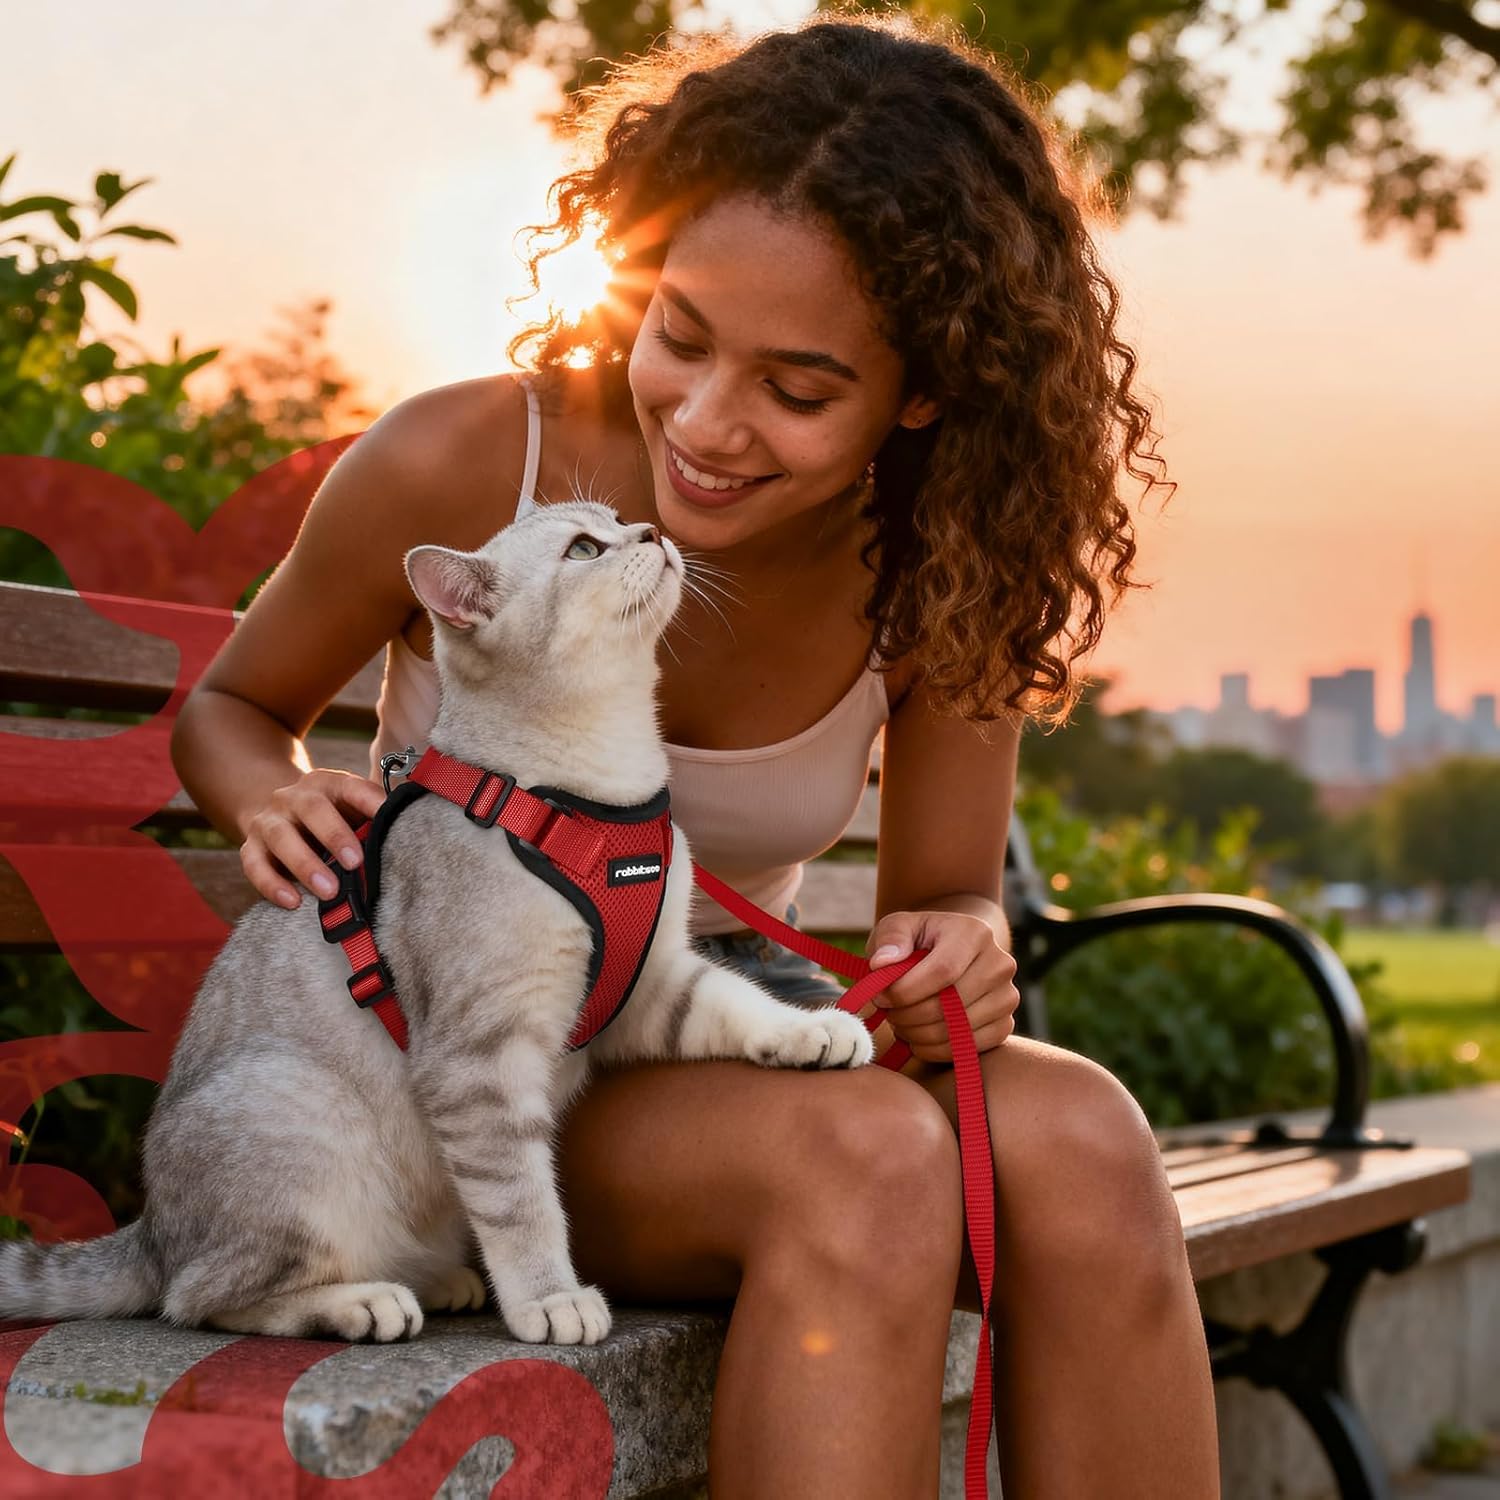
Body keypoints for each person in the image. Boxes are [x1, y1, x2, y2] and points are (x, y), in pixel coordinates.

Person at [171, 12, 1220, 1497]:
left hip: (687, 1045)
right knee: (864, 1159)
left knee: (1089, 1142)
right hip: (446, 1089)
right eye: (681, 334)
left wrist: (962, 949)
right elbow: (229, 709)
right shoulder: (472, 463)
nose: (710, 430)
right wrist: (270, 792)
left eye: (797, 391)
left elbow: (947, 901)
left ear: (924, 391)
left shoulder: (948, 564)